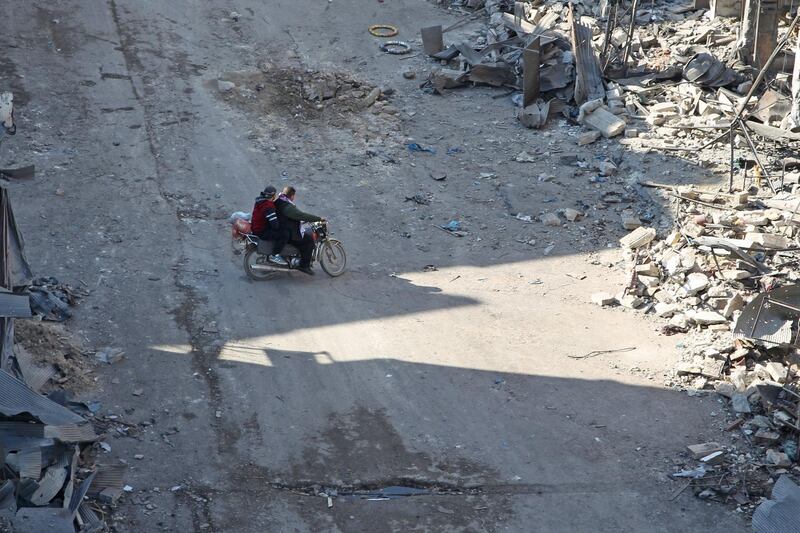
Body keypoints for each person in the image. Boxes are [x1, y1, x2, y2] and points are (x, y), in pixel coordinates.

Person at [275, 186, 324, 275]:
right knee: (309, 241)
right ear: (292, 196)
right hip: (287, 232)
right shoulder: (288, 207)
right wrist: (318, 218)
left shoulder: (279, 200)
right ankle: (304, 265)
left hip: (281, 228)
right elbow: (301, 215)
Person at [250, 185, 289, 266]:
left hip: (255, 228)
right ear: (273, 195)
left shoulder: (259, 201)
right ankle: (275, 255)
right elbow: (274, 225)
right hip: (261, 231)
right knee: (285, 234)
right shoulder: (268, 206)